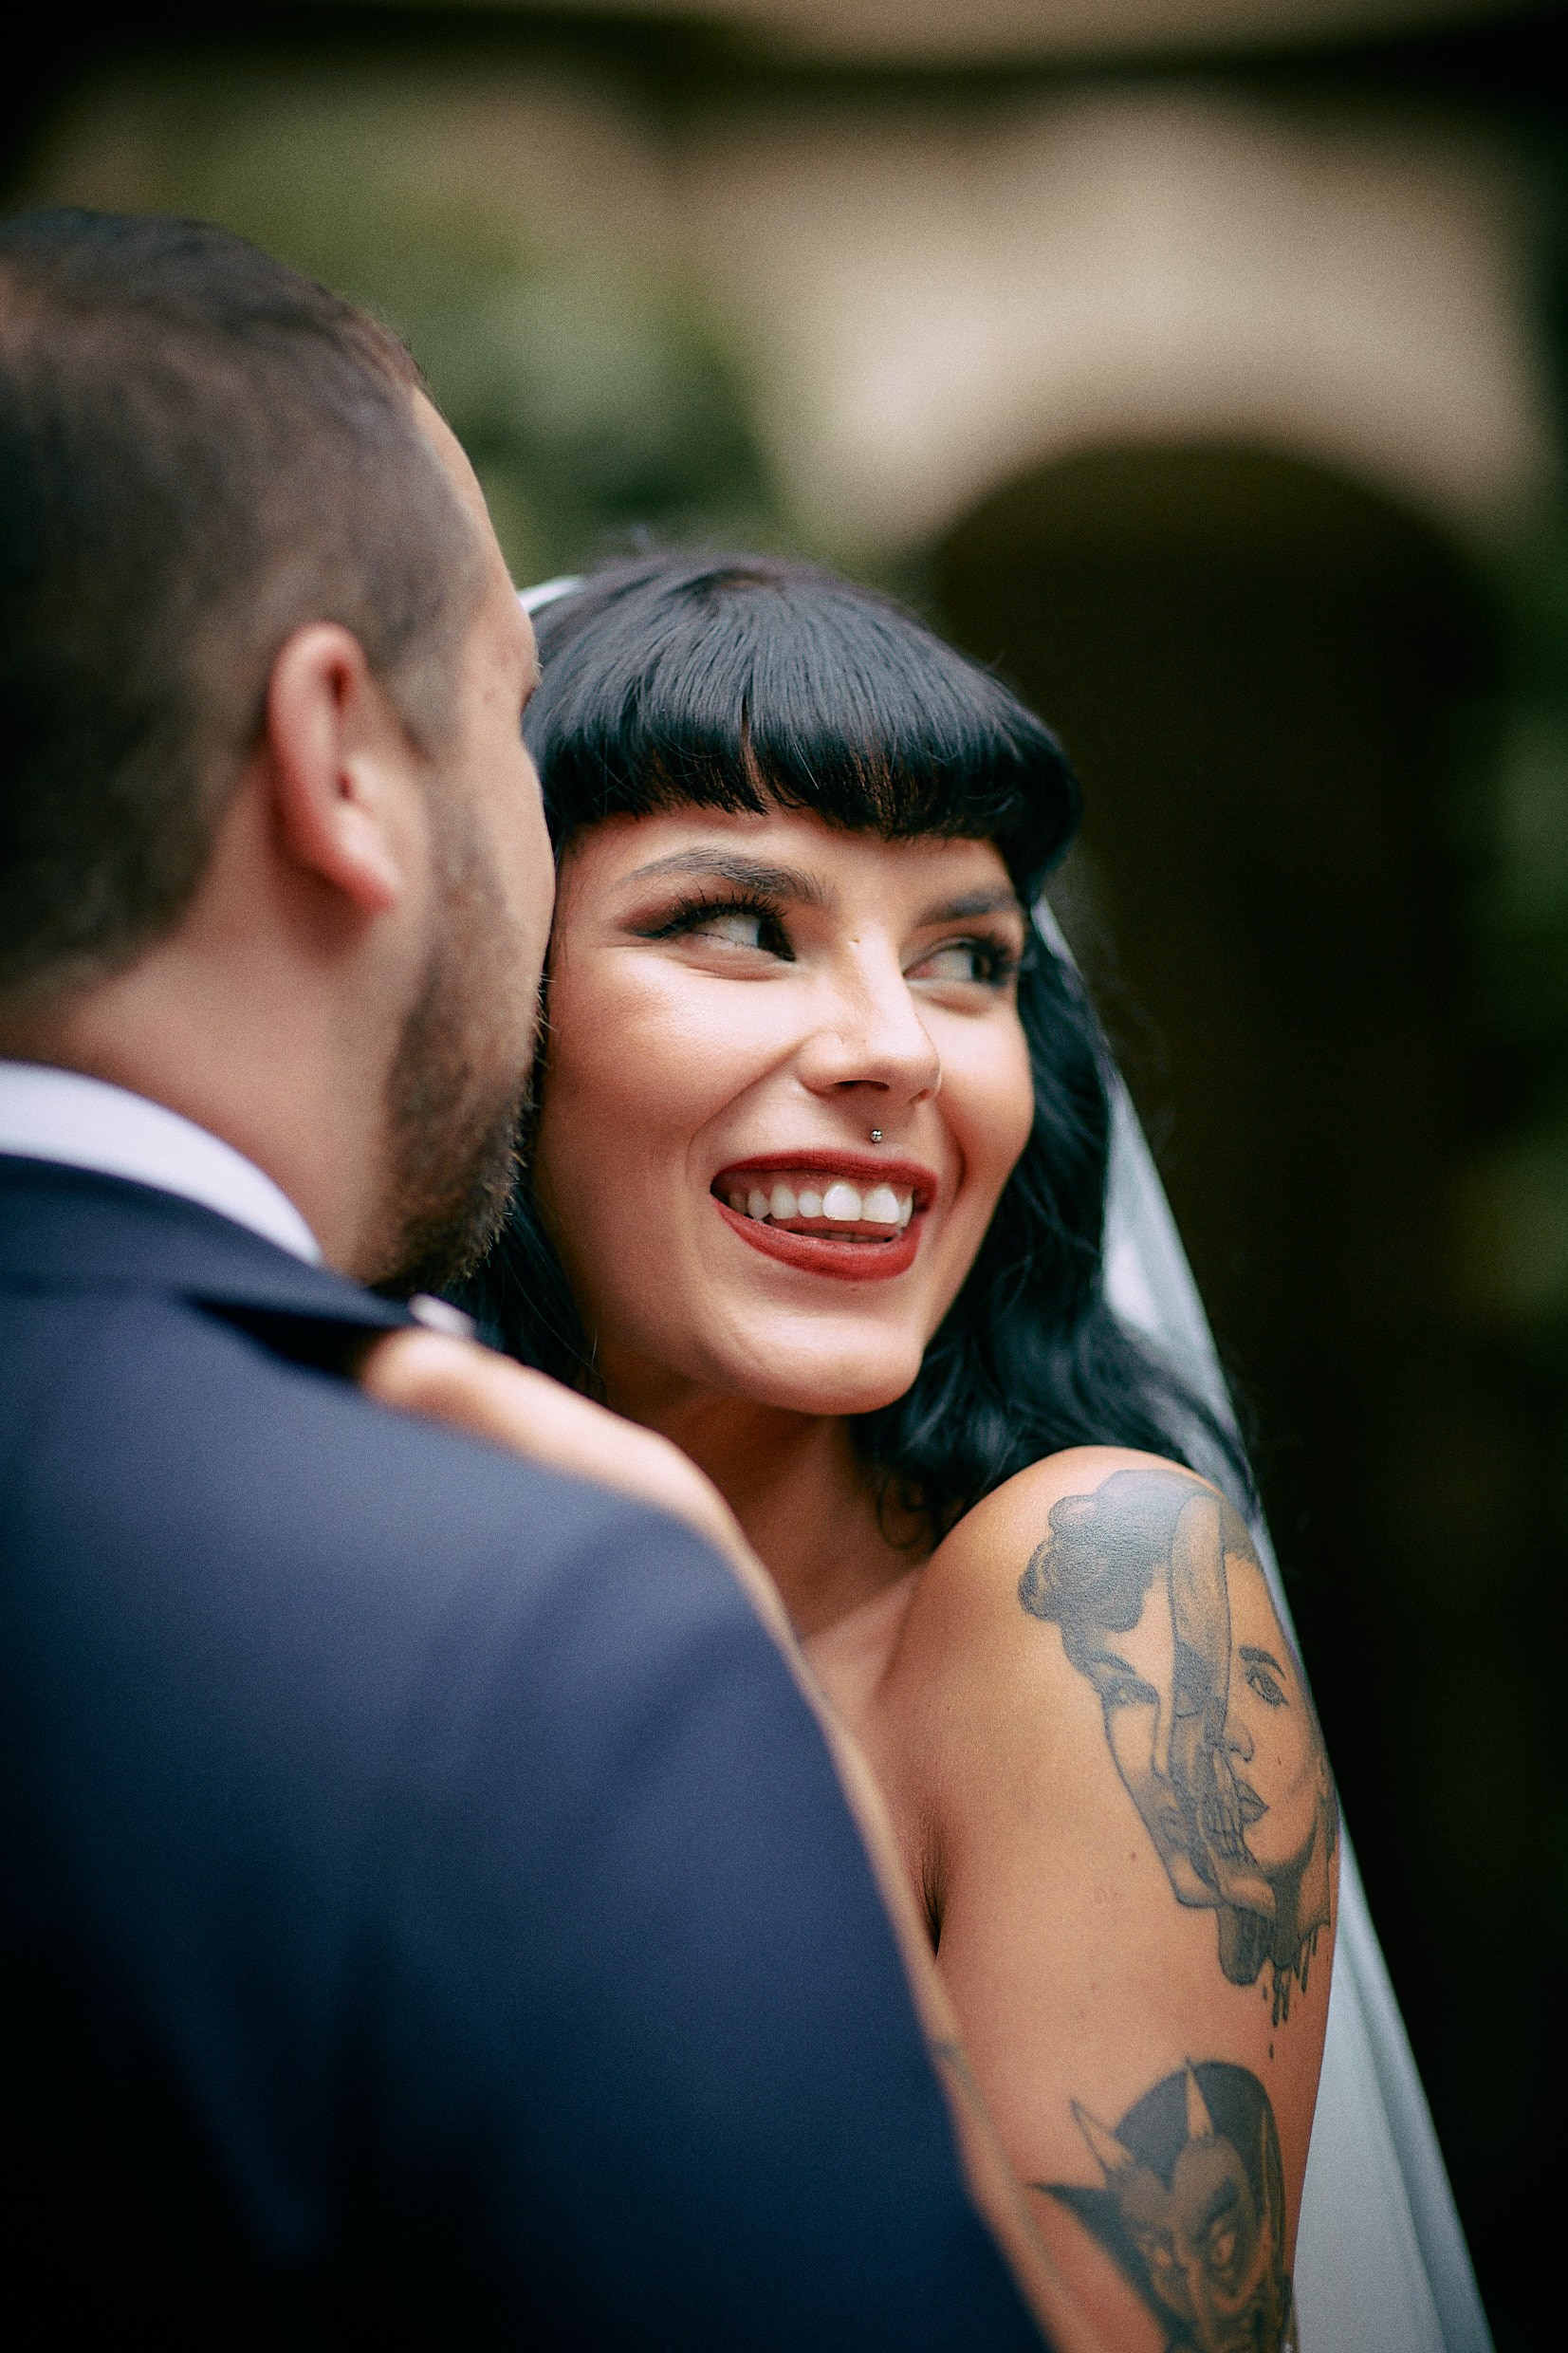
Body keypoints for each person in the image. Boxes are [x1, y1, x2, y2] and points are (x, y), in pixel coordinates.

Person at [0, 210, 1079, 2349]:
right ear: (337, 760)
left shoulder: (1060, 1584)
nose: (884, 1045)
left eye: (971, 955)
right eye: (505, 711)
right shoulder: (532, 1618)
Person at [456, 551, 1337, 2348]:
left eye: (967, 957)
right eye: (736, 922)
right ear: (481, 1006)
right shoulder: (347, 1598)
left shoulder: (1097, 1592)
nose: (890, 1052)